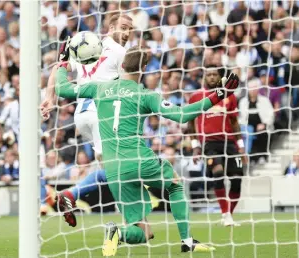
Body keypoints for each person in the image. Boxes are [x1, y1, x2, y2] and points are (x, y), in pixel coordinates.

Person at [54, 46, 240, 255]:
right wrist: (218, 95)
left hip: (114, 169)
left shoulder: (98, 88)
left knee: (143, 232)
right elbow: (182, 115)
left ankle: (117, 233)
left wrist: (62, 64)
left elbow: (61, 89)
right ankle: (187, 241)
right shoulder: (145, 95)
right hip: (139, 159)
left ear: (122, 66)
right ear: (143, 69)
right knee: (175, 186)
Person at [40, 14, 133, 227]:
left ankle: (130, 217)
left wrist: (49, 98)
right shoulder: (120, 52)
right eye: (123, 27)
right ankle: (72, 194)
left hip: (82, 116)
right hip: (103, 113)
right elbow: (129, 87)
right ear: (111, 27)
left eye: (130, 29)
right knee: (118, 168)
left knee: (114, 168)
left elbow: (59, 67)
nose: (127, 33)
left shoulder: (88, 46)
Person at [188, 65, 246, 226]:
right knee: (218, 173)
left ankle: (228, 215)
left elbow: (234, 122)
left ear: (220, 77)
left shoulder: (230, 96)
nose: (212, 77)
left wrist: (241, 146)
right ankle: (225, 213)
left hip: (229, 143)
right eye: (209, 74)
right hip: (209, 144)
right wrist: (195, 146)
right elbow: (190, 123)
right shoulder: (197, 97)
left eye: (215, 74)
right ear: (204, 77)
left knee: (237, 178)